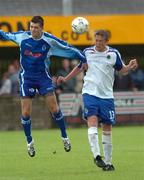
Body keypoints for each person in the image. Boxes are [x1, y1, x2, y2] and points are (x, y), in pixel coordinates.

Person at [0, 16, 87, 157]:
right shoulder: (22, 37)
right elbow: (4, 35)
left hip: (43, 78)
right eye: (31, 27)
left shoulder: (49, 40)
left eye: (36, 27)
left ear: (42, 28)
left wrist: (83, 57)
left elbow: (67, 48)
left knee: (54, 109)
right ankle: (30, 142)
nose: (33, 30)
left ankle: (65, 137)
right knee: (26, 113)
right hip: (27, 78)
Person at [57, 29, 138, 171]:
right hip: (90, 93)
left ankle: (108, 162)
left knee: (107, 127)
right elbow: (79, 67)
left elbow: (121, 70)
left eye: (101, 41)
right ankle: (97, 156)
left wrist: (129, 67)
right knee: (92, 121)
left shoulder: (113, 54)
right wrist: (65, 78)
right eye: (96, 40)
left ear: (106, 41)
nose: (98, 43)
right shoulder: (88, 52)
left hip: (107, 96)